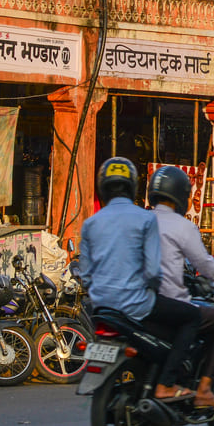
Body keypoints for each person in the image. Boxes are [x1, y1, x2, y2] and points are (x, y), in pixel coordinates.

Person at [76, 157, 201, 403]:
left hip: (101, 310)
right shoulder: (145, 219)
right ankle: (166, 385)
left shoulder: (90, 223)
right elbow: (153, 271)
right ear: (133, 186)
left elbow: (86, 274)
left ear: (103, 187)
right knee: (192, 317)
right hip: (137, 306)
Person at [148, 165, 214, 412]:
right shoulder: (182, 226)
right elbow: (209, 268)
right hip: (168, 302)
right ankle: (204, 390)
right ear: (181, 195)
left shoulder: (141, 219)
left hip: (138, 302)